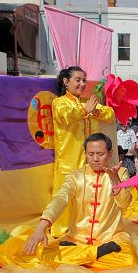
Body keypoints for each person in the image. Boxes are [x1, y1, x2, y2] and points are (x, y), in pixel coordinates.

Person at [19, 133, 137, 269]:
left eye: (100, 154)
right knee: (43, 254)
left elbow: (125, 204)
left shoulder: (120, 173)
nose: (95, 159)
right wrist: (41, 227)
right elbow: (61, 198)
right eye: (91, 154)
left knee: (128, 259)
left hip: (110, 238)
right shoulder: (76, 176)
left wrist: (115, 181)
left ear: (110, 153)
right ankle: (97, 253)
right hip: (76, 239)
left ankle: (78, 256)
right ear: (85, 153)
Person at [52, 66, 115, 237]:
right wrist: (85, 110)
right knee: (65, 201)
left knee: (88, 200)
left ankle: (83, 232)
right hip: (69, 164)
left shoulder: (86, 104)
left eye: (83, 80)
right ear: (66, 82)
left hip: (89, 163)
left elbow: (109, 114)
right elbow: (66, 115)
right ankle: (61, 235)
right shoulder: (59, 103)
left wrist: (93, 110)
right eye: (77, 80)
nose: (82, 83)